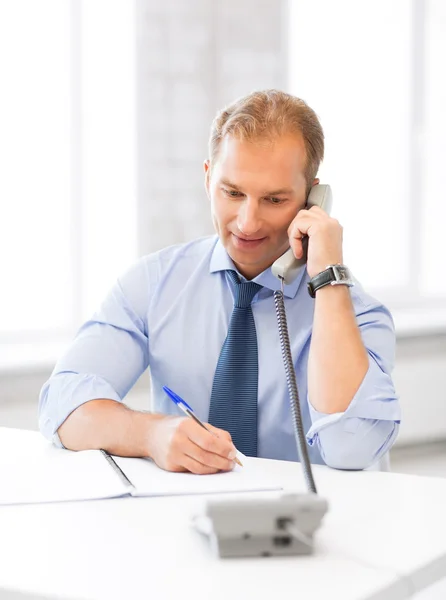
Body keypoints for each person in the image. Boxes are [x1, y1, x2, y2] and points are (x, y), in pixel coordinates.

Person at [39, 89, 400, 473]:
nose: (247, 222)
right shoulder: (155, 283)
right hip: (190, 518)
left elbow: (352, 449)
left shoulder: (357, 313)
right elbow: (61, 403)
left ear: (313, 198)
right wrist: (151, 434)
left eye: (274, 200)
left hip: (317, 525)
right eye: (233, 193)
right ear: (209, 178)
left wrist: (328, 278)